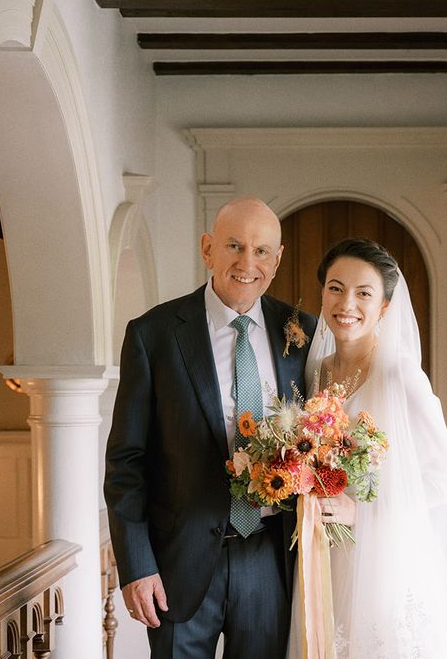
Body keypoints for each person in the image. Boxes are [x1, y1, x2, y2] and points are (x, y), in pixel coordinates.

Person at [105, 197, 317, 658]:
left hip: (270, 559)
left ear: (277, 260)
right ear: (207, 249)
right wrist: (136, 566)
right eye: (234, 246)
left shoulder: (302, 335)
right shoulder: (153, 335)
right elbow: (126, 462)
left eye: (262, 251)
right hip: (176, 563)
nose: (247, 263)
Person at [289, 238, 447, 658]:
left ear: (383, 307)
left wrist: (361, 511)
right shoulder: (316, 370)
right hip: (324, 558)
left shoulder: (401, 376)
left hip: (383, 563)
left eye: (364, 293)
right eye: (335, 287)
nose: (347, 303)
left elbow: (446, 483)